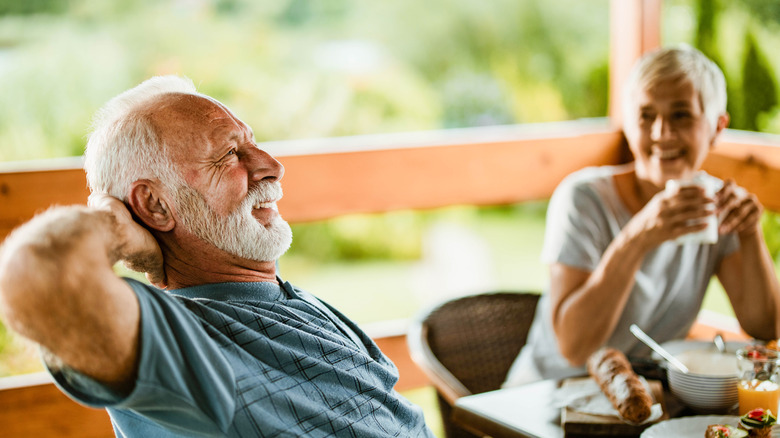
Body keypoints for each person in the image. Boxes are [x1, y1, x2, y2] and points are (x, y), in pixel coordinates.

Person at [0, 76, 434, 437]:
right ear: (154, 206)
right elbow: (37, 274)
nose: (271, 166)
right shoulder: (181, 341)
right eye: (229, 155)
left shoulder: (279, 295)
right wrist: (112, 226)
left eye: (253, 145)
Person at [503, 44, 780, 386]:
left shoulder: (716, 205)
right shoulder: (583, 198)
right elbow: (574, 349)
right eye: (646, 115)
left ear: (717, 128)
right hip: (547, 393)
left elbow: (766, 327)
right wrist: (639, 236)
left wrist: (750, 233)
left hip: (643, 397)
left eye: (681, 115)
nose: (661, 133)